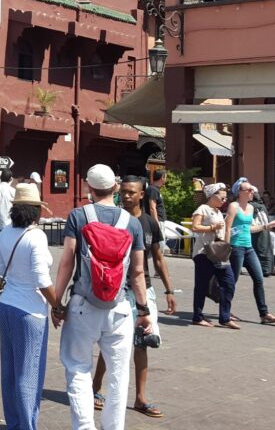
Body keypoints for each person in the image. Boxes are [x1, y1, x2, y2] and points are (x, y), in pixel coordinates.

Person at [51, 164, 149, 430]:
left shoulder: (78, 216)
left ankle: (84, 427)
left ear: (89, 189)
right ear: (115, 188)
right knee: (119, 375)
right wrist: (144, 310)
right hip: (119, 307)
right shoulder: (132, 223)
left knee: (78, 368)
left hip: (84, 303)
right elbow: (138, 272)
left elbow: (67, 262)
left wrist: (56, 302)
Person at [93, 177, 176, 419]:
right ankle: (95, 387)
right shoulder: (114, 219)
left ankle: (140, 398)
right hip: (118, 290)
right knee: (113, 341)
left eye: (131, 192)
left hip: (144, 289)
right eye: (123, 192)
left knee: (143, 342)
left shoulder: (149, 223)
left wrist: (169, 290)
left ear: (142, 195)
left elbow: (158, 257)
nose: (126, 196)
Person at [0, 183, 59, 430]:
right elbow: (42, 279)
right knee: (29, 373)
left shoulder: (6, 233)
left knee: (10, 371)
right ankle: (27, 425)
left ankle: (15, 423)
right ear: (36, 211)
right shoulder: (36, 236)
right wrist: (58, 306)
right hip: (30, 310)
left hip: (7, 305)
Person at [225, 180, 275, 324]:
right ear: (239, 192)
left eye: (252, 190)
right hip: (235, 247)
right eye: (249, 190)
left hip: (248, 247)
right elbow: (227, 228)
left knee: (259, 278)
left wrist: (266, 226)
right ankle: (225, 311)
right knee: (232, 281)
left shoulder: (250, 208)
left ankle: (264, 314)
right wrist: (225, 248)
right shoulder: (234, 206)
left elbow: (249, 228)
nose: (252, 192)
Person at [190, 183, 237, 328]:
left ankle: (225, 317)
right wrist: (212, 228)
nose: (224, 201)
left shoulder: (217, 211)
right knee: (201, 286)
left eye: (225, 198)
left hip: (218, 253)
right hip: (204, 253)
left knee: (229, 283)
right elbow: (195, 227)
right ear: (212, 196)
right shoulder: (203, 208)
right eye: (222, 198)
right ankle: (197, 317)